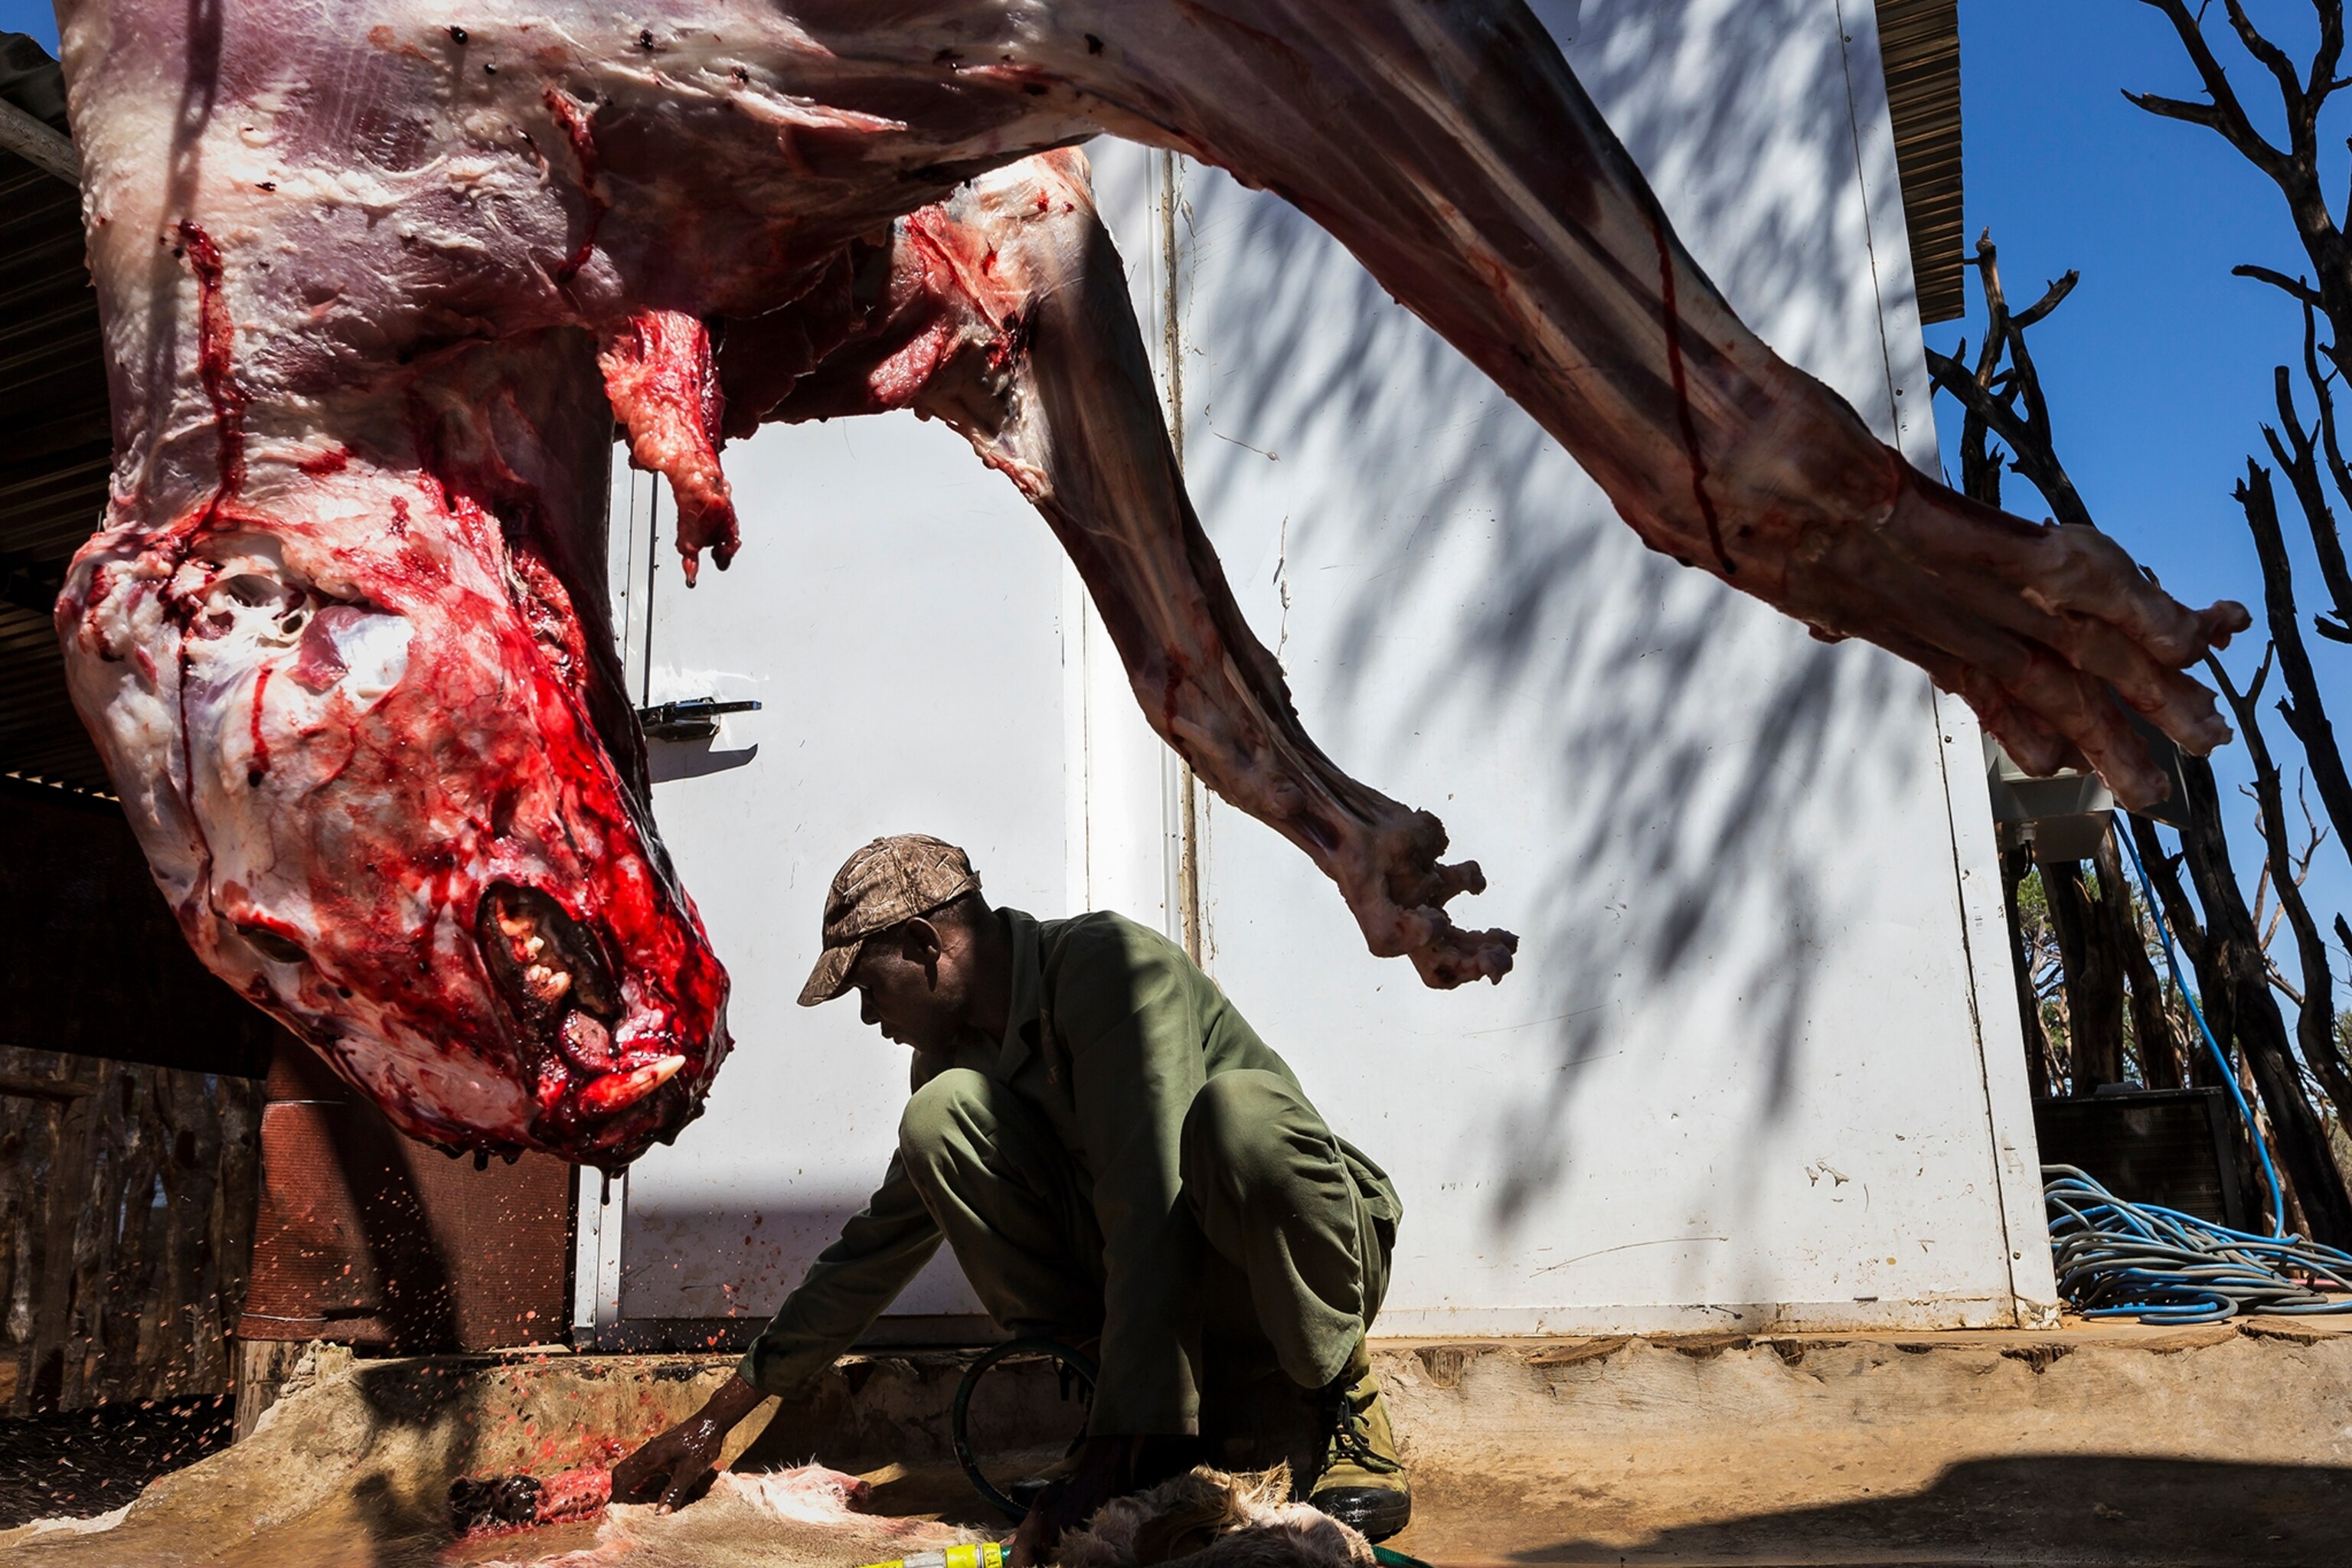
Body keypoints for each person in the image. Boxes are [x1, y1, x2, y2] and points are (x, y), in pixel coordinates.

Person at [612, 833, 1409, 1557]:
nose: (867, 1015)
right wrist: (721, 1413)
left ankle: (1345, 1396)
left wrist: (1114, 1449)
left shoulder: (1109, 967)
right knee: (937, 1119)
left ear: (925, 945)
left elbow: (1149, 1202)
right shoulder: (953, 1061)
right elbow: (873, 1248)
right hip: (1184, 1305)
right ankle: (1136, 1418)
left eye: (868, 984)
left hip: (1295, 1269)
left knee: (1238, 1121)